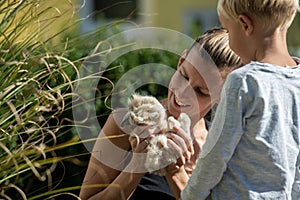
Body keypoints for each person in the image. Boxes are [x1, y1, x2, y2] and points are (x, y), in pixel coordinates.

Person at [79, 27, 242, 200]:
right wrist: (138, 165)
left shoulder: (226, 149)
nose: (182, 92)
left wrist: (175, 172)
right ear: (181, 61)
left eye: (201, 91)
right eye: (184, 76)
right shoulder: (126, 123)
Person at [181, 0, 300, 199]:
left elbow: (215, 155)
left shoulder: (243, 81)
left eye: (228, 30)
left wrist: (190, 195)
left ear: (245, 25)